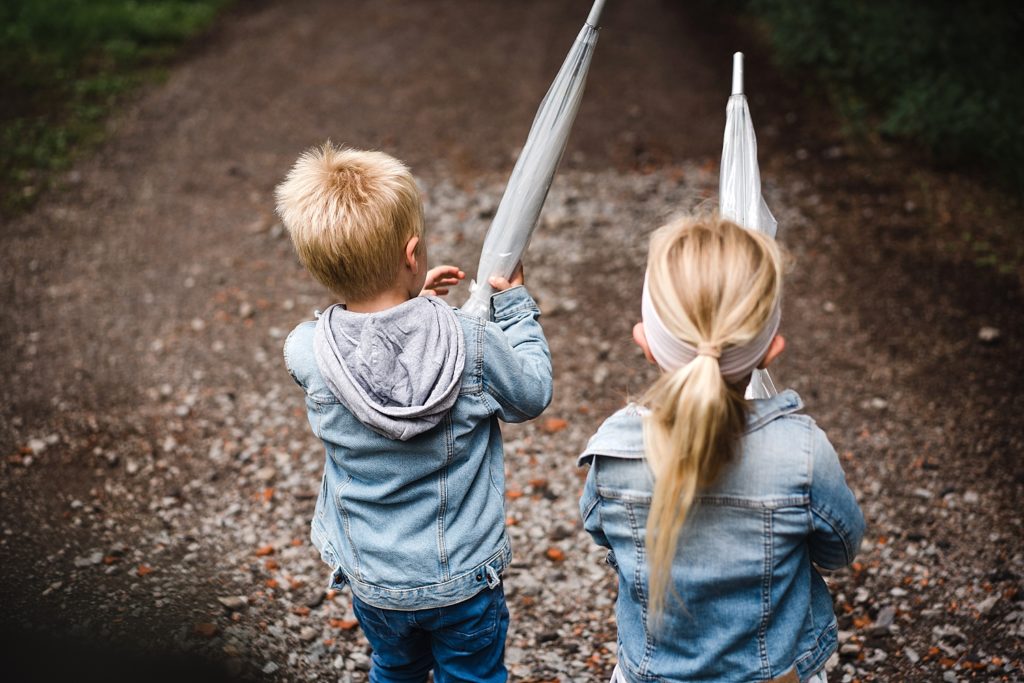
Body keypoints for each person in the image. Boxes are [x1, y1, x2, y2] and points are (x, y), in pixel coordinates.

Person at [276, 143, 553, 683]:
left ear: (317, 267)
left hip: (373, 580)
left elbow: (363, 347)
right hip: (462, 581)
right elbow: (532, 393)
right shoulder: (471, 343)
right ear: (414, 252)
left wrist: (405, 306)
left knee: (395, 668)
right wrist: (515, 306)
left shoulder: (306, 350)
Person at [578, 215, 865, 683]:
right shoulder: (803, 454)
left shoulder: (613, 453)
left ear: (646, 343)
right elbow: (839, 547)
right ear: (771, 349)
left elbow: (603, 535)